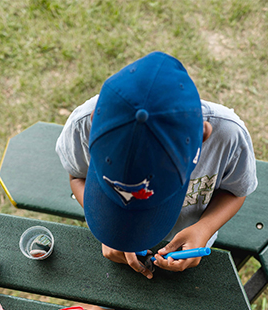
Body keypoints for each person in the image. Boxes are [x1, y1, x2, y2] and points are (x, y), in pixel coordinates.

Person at [56, 51, 257, 279]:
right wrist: (113, 232)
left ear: (204, 135)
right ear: (95, 121)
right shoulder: (81, 126)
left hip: (189, 245)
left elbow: (236, 192)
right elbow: (77, 176)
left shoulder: (228, 135)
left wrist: (204, 228)